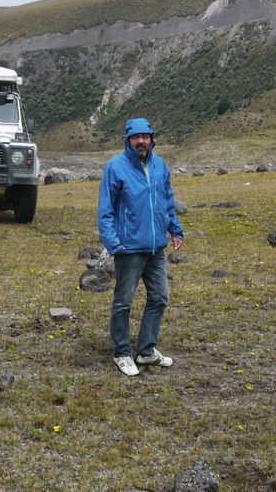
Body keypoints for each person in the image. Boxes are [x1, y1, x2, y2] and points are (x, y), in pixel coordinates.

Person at [97, 117, 184, 376]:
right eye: (136, 137)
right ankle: (122, 352)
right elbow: (106, 210)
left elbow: (167, 201)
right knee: (123, 301)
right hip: (129, 248)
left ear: (152, 139)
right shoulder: (115, 167)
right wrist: (113, 243)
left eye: (145, 136)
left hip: (156, 247)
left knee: (159, 297)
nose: (141, 141)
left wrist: (174, 229)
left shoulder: (160, 165)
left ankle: (146, 350)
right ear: (128, 140)